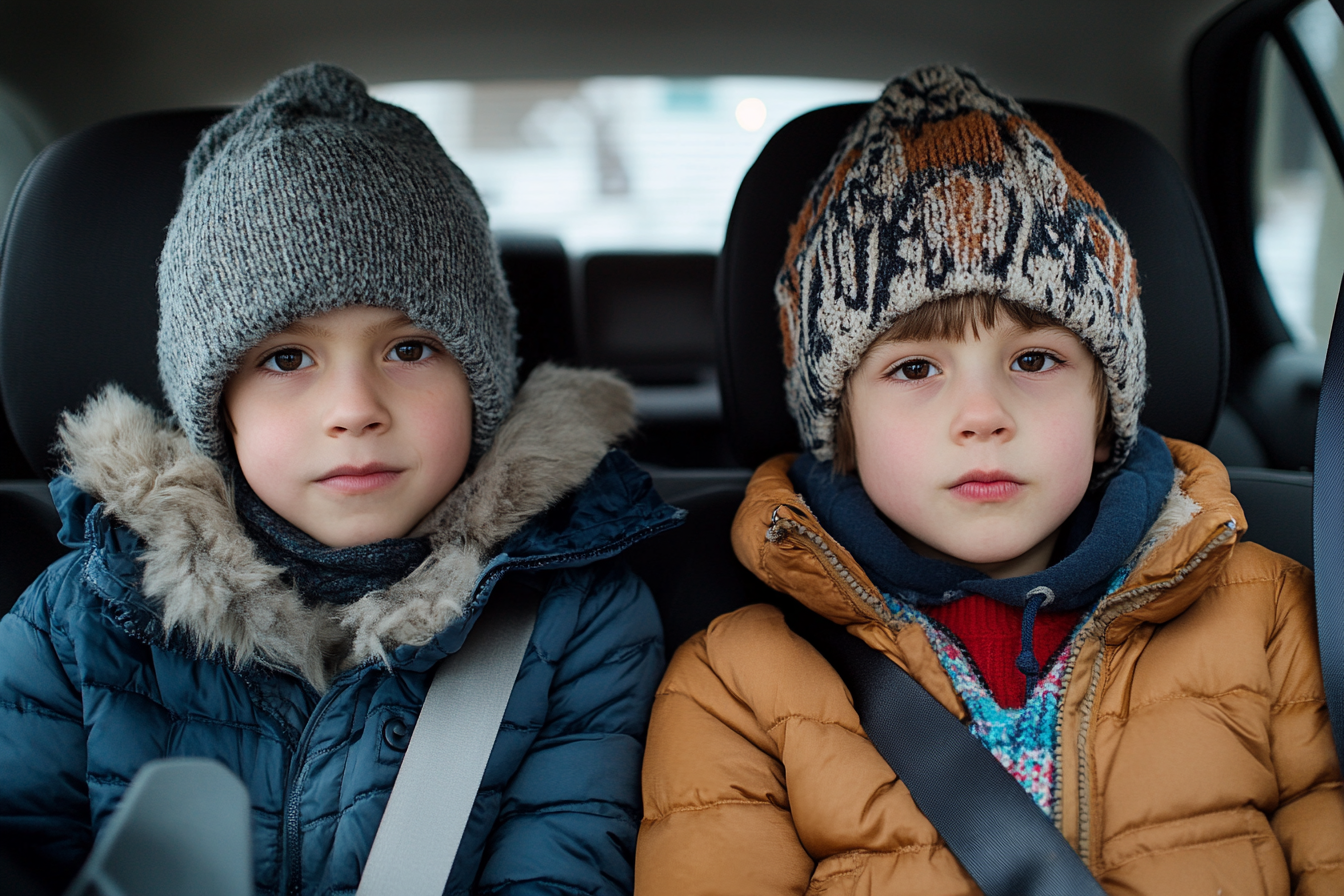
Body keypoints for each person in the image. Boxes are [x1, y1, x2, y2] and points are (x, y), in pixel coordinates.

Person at [635, 66, 1344, 894]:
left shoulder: (1272, 621)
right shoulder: (739, 681)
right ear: (844, 430)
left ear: (1104, 406)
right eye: (913, 368)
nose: (981, 415)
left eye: (1034, 359)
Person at [0, 63, 677, 896]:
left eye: (409, 349)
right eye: (286, 359)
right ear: (219, 412)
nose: (354, 408)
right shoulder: (77, 621)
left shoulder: (573, 619)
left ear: (480, 382)